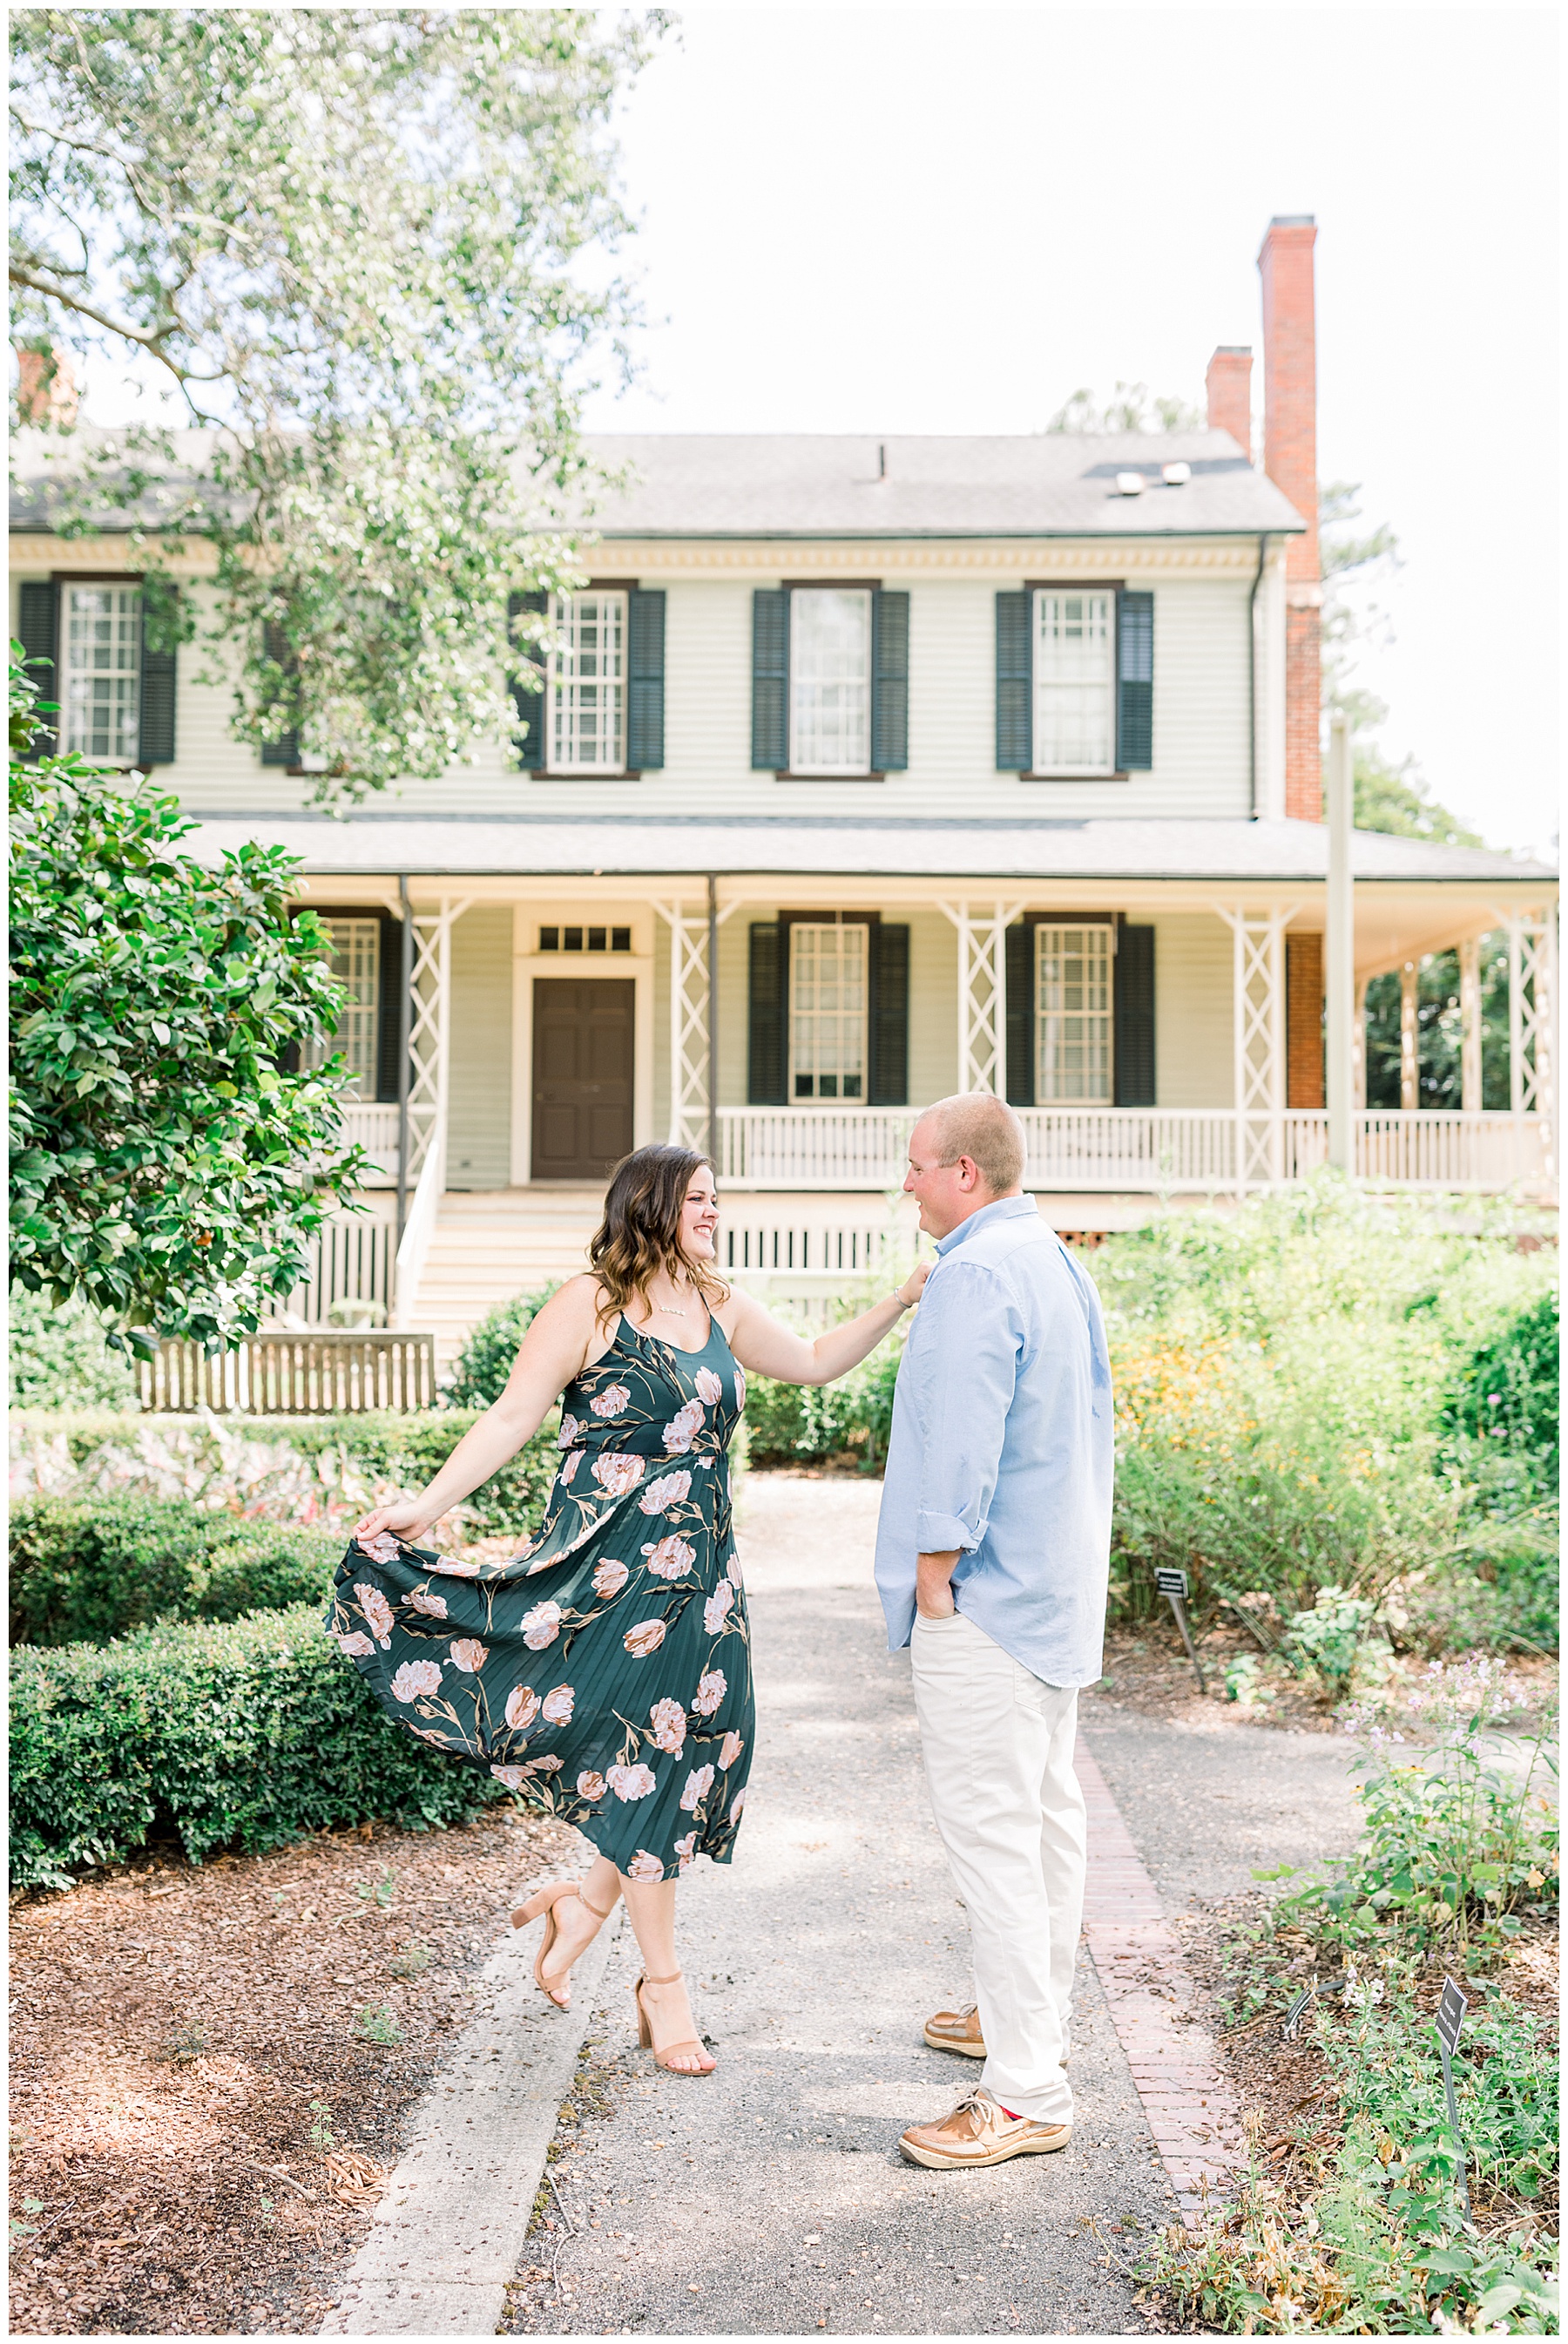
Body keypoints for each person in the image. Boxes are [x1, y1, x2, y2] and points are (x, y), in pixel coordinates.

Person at [335, 1143, 927, 2077]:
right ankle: (665, 1989)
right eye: (698, 1198)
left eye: (717, 1198)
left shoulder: (719, 1302)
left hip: (706, 1580)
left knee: (691, 1749)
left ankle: (584, 1905)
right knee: (650, 1760)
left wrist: (899, 1298)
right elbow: (509, 1416)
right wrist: (428, 1506)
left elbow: (813, 1362)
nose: (714, 1212)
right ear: (650, 1204)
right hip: (612, 1577)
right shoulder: (590, 1305)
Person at [873, 1094, 1112, 2169]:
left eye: (919, 1165)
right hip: (1051, 1594)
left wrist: (934, 1579)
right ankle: (1027, 2021)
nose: (909, 1181)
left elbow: (962, 1444)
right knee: (1048, 1821)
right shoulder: (1053, 1258)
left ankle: (1023, 2090)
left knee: (995, 1842)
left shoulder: (974, 1273)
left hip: (988, 1599)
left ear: (965, 1171)